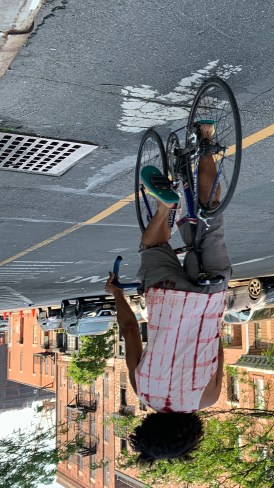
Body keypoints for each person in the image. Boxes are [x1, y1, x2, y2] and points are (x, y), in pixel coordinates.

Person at [105, 123, 232, 462]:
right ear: (148, 426)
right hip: (166, 295)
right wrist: (117, 294)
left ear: (191, 432)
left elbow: (216, 345)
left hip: (209, 296)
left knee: (211, 221)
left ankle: (206, 138)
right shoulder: (142, 390)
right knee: (152, 244)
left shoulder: (209, 397)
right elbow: (131, 330)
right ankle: (163, 208)